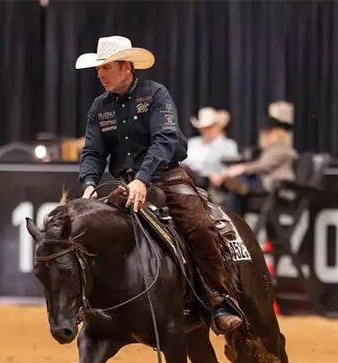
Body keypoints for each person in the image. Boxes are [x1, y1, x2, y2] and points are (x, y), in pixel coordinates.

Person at [75, 35, 244, 335]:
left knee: (199, 225)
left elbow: (165, 139)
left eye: (107, 67)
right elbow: (92, 151)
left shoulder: (155, 95)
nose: (100, 74)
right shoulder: (99, 107)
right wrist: (89, 183)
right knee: (86, 232)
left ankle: (220, 300)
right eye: (98, 68)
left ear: (126, 67)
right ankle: (88, 304)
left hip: (167, 177)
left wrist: (143, 177)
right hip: (124, 183)